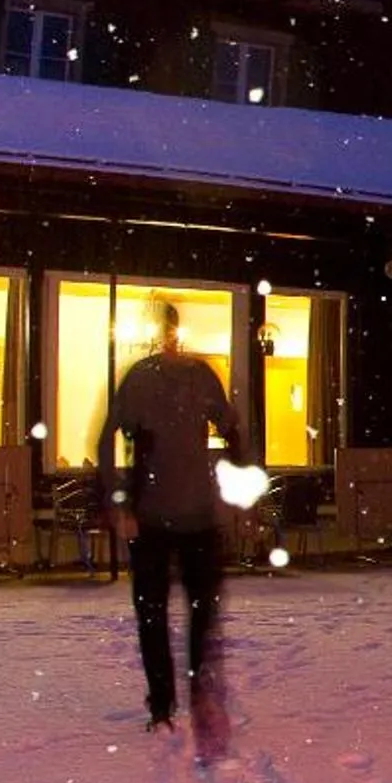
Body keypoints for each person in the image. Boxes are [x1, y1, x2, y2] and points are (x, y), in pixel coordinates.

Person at [99, 298, 252, 754]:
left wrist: (241, 473)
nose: (162, 339)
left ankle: (200, 695)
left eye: (166, 330)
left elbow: (231, 428)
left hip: (198, 517)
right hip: (150, 519)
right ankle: (163, 705)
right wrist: (120, 501)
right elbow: (107, 439)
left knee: (202, 615)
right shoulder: (139, 381)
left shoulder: (200, 377)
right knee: (153, 615)